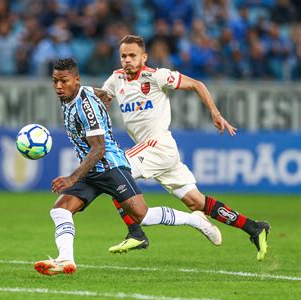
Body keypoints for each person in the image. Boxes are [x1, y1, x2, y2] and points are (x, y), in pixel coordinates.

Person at [34, 58, 221, 276]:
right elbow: (103, 94)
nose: (58, 86)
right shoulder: (75, 93)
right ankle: (66, 259)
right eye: (55, 81)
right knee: (60, 210)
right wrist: (103, 100)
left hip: (111, 167)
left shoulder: (86, 108)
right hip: (92, 169)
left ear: (76, 80)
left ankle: (196, 220)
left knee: (143, 216)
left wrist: (72, 178)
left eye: (63, 81)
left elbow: (99, 149)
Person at [93, 35, 270, 260]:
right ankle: (254, 228)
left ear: (143, 57)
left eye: (132, 56)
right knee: (197, 202)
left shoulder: (157, 76)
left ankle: (135, 233)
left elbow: (197, 84)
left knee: (113, 172)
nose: (127, 60)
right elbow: (102, 98)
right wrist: (80, 93)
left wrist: (216, 114)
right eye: (123, 56)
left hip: (158, 144)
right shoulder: (116, 79)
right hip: (154, 151)